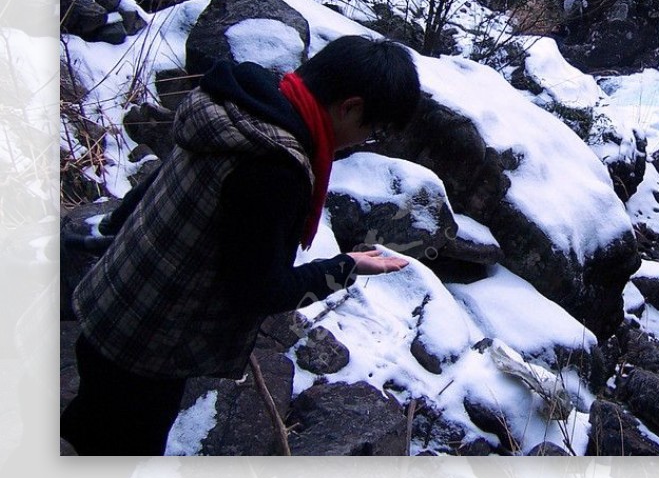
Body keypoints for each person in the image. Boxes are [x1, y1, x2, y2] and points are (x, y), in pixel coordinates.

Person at [61, 35, 422, 455]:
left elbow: (160, 179)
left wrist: (115, 226)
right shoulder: (274, 167)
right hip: (144, 348)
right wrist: (346, 267)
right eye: (371, 131)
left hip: (110, 301)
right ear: (350, 107)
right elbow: (258, 291)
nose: (363, 141)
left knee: (84, 427)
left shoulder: (242, 107)